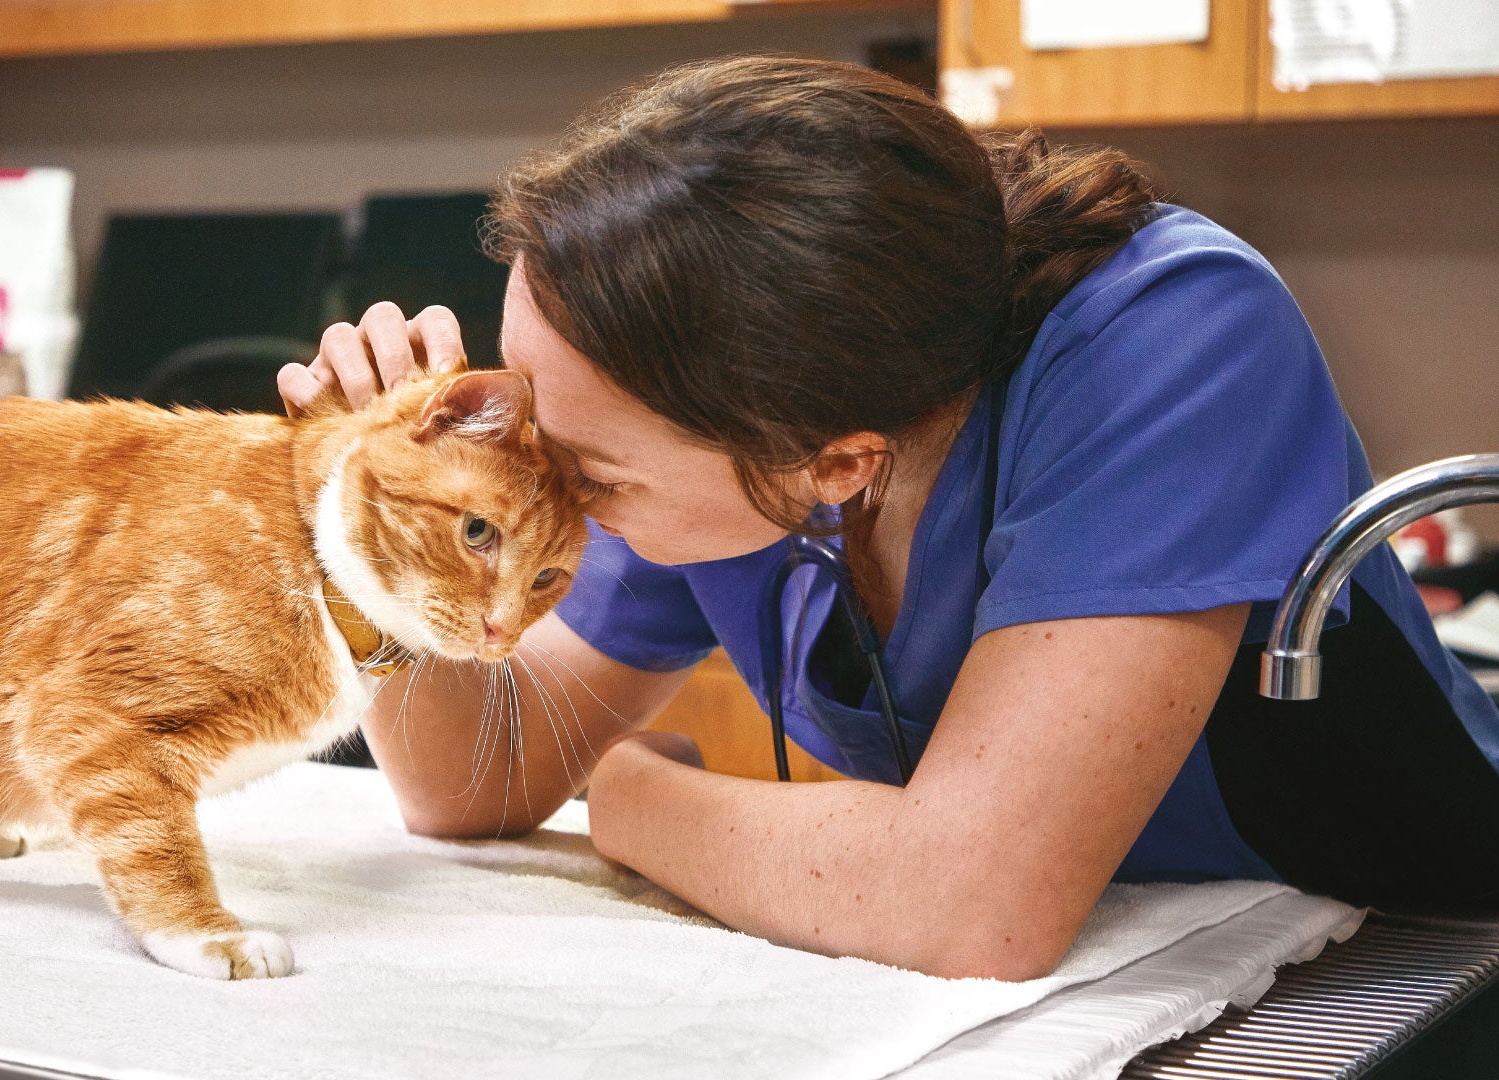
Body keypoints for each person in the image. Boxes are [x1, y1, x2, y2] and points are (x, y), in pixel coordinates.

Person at [277, 56, 1499, 981]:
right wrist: (378, 522)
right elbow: (465, 790)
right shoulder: (723, 437)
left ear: (834, 464)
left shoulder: (1171, 333)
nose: (543, 485)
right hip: (1120, 972)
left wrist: (632, 798)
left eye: (589, 475)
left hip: (1401, 946)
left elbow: (968, 904)